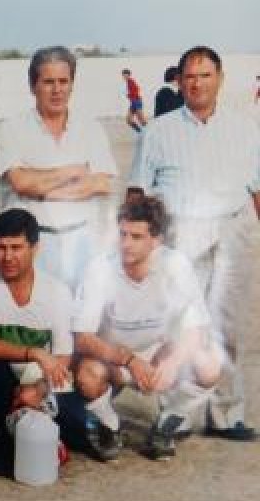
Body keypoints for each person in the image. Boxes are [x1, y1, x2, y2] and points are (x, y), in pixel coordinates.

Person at [130, 45, 260, 441]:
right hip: (180, 234)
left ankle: (227, 414)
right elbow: (137, 193)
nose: (197, 83)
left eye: (205, 75)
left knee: (229, 325)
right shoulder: (158, 131)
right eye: (190, 76)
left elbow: (257, 189)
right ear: (179, 81)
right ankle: (177, 414)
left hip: (233, 230)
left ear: (220, 79)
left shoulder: (246, 129)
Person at [72, 197, 222, 461]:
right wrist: (129, 360)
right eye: (122, 234)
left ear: (156, 240)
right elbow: (82, 338)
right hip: (115, 359)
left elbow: (195, 327)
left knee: (208, 366)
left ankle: (166, 425)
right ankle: (110, 426)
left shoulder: (176, 265)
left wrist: (172, 364)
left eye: (136, 237)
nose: (126, 243)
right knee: (87, 375)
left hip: (156, 354)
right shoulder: (100, 268)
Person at [0, 46, 116, 291]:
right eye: (48, 82)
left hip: (83, 243)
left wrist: (42, 189)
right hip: (32, 245)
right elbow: (20, 183)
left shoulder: (91, 128)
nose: (57, 90)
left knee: (82, 313)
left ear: (72, 84)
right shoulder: (11, 129)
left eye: (63, 81)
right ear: (33, 86)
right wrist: (72, 171)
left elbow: (102, 183)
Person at [0, 209, 75, 474]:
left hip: (35, 379)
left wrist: (39, 389)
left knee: (73, 428)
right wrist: (34, 352)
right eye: (0, 248)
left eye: (16, 248)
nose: (7, 257)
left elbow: (63, 355)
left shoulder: (57, 291)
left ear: (35, 248)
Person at [122, 68, 147, 132]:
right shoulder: (127, 82)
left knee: (141, 119)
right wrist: (129, 96)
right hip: (133, 103)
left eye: (126, 75)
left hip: (137, 101)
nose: (124, 76)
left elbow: (137, 89)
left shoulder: (131, 81)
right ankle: (139, 131)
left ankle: (147, 132)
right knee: (128, 120)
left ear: (129, 75)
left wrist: (130, 95)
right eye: (123, 75)